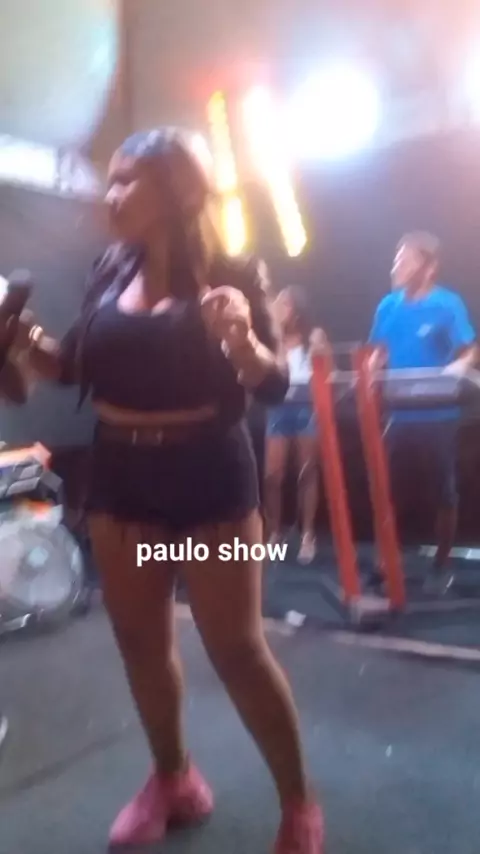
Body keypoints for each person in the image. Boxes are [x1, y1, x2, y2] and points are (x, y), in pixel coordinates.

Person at [5, 129, 323, 852]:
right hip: (124, 487)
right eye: (110, 179)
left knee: (236, 649)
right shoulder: (110, 268)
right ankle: (174, 779)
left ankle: (298, 802)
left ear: (180, 190)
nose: (111, 194)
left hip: (207, 487)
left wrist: (241, 341)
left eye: (128, 180)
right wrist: (24, 342)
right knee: (142, 644)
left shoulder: (232, 273)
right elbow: (73, 366)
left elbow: (274, 382)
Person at [369, 232, 477, 593]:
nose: (396, 265)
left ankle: (442, 564)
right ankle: (386, 562)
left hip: (438, 416)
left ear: (429, 267)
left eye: (406, 260)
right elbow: (378, 351)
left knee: (443, 491)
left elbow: (469, 350)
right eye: (396, 259)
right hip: (399, 415)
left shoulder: (447, 304)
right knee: (385, 489)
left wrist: (456, 368)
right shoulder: (387, 306)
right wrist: (370, 369)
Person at [264, 286, 323, 564]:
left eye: (284, 304)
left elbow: (329, 374)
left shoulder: (313, 337)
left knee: (306, 472)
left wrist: (319, 355)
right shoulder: (271, 339)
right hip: (279, 407)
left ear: (297, 311)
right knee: (272, 476)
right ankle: (275, 531)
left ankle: (307, 534)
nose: (278, 309)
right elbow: (267, 374)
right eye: (277, 304)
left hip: (306, 407)